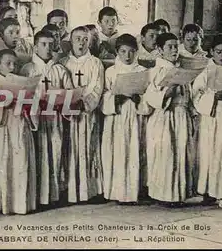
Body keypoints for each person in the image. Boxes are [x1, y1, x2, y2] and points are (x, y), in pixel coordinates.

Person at [21, 30, 74, 206]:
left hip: (54, 119)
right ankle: (34, 196)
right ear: (35, 46)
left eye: (51, 44)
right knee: (35, 154)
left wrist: (61, 102)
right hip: (33, 120)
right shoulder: (28, 69)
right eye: (43, 44)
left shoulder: (60, 69)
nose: (48, 48)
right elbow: (21, 93)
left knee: (55, 153)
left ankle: (53, 195)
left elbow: (70, 95)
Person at [143, 32, 196, 205]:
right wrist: (167, 92)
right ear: (159, 49)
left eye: (175, 46)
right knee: (166, 154)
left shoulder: (182, 68)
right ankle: (164, 196)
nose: (174, 50)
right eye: (169, 47)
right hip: (164, 117)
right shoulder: (156, 70)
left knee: (181, 152)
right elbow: (150, 96)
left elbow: (189, 93)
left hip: (181, 114)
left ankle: (179, 194)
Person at [100, 34, 152, 204]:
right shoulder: (111, 72)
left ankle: (136, 191)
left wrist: (140, 100)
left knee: (136, 151)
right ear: (117, 52)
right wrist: (115, 99)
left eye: (131, 52)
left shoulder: (143, 71)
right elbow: (104, 95)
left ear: (136, 52)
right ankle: (118, 192)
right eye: (123, 52)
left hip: (135, 116)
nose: (128, 56)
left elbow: (148, 96)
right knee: (118, 152)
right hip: (118, 116)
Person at [0, 49, 37, 214]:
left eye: (15, 64)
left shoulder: (22, 81)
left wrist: (28, 102)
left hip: (21, 122)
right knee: (4, 160)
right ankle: (4, 203)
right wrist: (5, 101)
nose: (12, 67)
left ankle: (22, 204)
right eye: (8, 63)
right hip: (4, 126)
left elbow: (32, 101)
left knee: (21, 159)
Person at [59, 26, 104, 203]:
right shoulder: (63, 63)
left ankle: (88, 191)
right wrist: (68, 103)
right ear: (71, 40)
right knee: (67, 151)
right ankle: (68, 191)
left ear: (90, 42)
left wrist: (82, 103)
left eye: (85, 39)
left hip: (86, 114)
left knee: (88, 149)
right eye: (77, 38)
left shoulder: (95, 63)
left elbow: (97, 87)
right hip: (67, 115)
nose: (81, 42)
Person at [192, 33, 222, 209]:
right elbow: (196, 95)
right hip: (211, 116)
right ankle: (209, 192)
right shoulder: (205, 71)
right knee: (210, 153)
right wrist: (213, 96)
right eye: (219, 51)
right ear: (211, 52)